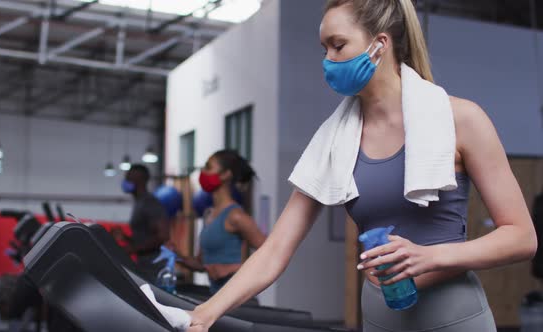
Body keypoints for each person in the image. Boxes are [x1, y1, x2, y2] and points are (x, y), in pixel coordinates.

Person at [186, 1, 537, 331]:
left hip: (454, 317)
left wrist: (431, 256)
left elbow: (521, 237)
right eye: (324, 49)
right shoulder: (334, 141)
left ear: (379, 44)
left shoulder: (461, 119)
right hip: (378, 318)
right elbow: (275, 249)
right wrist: (204, 313)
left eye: (338, 45)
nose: (327, 60)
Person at [176, 150, 266, 294]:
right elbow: (202, 264)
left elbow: (271, 255)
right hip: (216, 296)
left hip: (237, 300)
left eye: (208, 167)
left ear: (226, 175)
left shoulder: (236, 216)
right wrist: (176, 255)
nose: (203, 172)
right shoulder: (209, 215)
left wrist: (231, 268)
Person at [116, 163, 170, 282]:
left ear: (139, 181)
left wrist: (133, 248)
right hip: (144, 265)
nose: (125, 181)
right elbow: (144, 238)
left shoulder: (149, 203)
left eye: (129, 178)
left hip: (154, 268)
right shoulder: (139, 203)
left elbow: (163, 235)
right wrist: (125, 238)